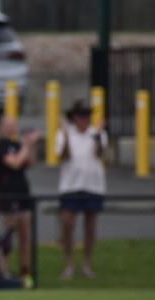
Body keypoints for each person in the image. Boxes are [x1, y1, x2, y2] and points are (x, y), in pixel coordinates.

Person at [56, 100, 108, 280]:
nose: (84, 120)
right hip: (71, 185)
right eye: (80, 116)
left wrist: (99, 134)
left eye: (87, 116)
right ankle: (69, 263)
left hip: (93, 184)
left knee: (90, 227)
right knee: (68, 224)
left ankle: (87, 264)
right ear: (74, 118)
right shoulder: (65, 133)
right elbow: (64, 156)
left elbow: (100, 154)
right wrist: (66, 136)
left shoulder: (96, 133)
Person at [0, 116, 40, 288]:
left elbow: (30, 162)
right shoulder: (1, 146)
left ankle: (25, 272)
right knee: (7, 236)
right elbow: (14, 163)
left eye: (13, 125)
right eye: (7, 125)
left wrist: (31, 145)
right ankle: (5, 273)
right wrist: (26, 145)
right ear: (0, 127)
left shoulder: (17, 144)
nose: (11, 128)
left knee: (25, 236)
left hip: (23, 193)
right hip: (8, 194)